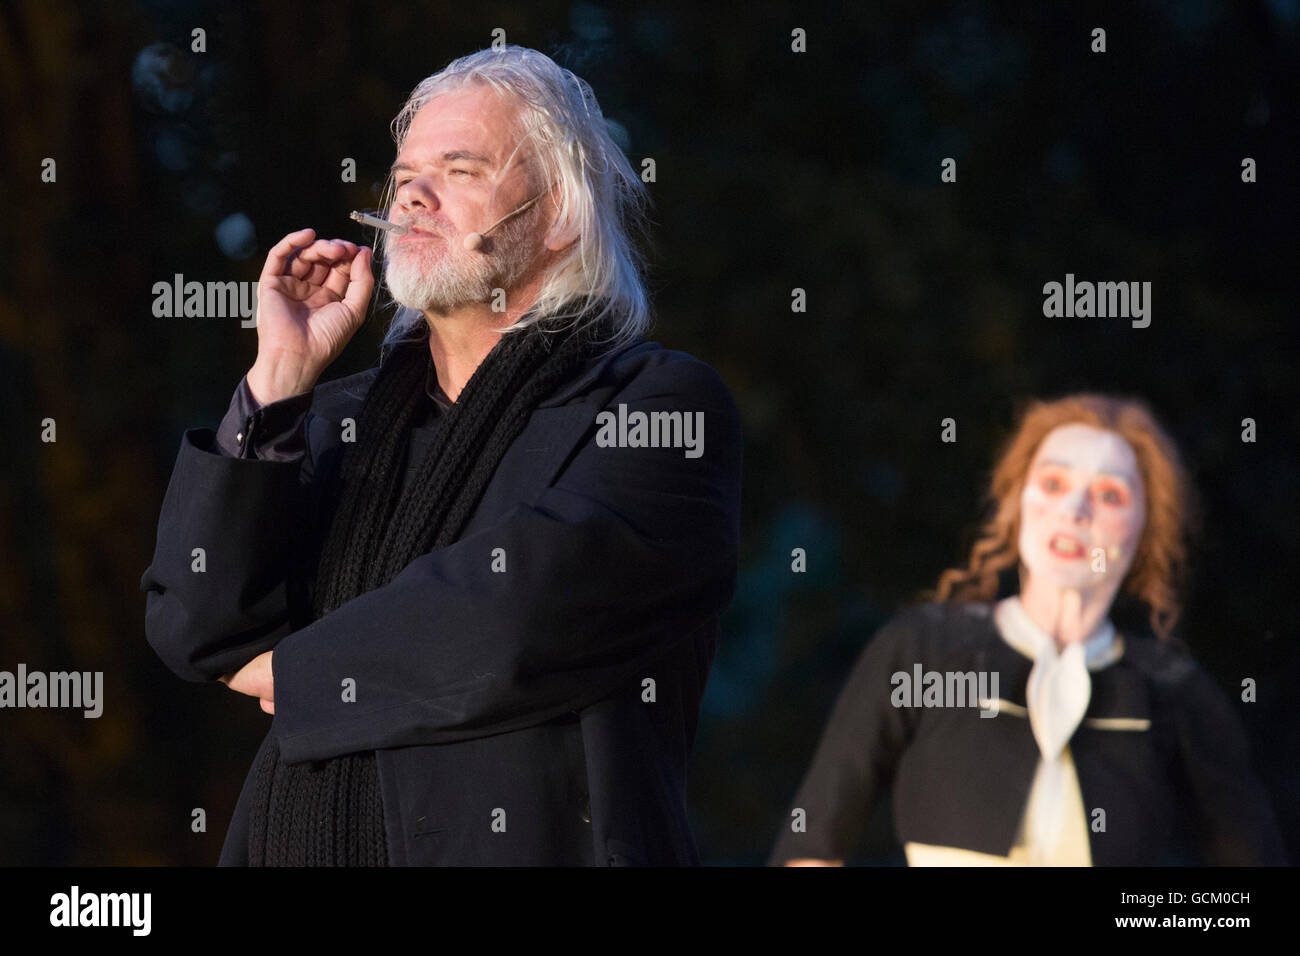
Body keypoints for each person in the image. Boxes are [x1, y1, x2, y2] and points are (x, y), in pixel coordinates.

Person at [141, 45, 742, 866]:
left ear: (560, 212)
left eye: (459, 169)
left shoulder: (656, 408)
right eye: (405, 172)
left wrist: (298, 673)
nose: (413, 195)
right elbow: (196, 623)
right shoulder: (331, 420)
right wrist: (277, 380)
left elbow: (518, 615)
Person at [769, 393, 1285, 866]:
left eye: (1109, 495)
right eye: (1054, 483)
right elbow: (812, 844)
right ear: (1018, 502)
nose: (1075, 511)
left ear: (1148, 530)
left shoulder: (1173, 688)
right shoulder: (924, 648)